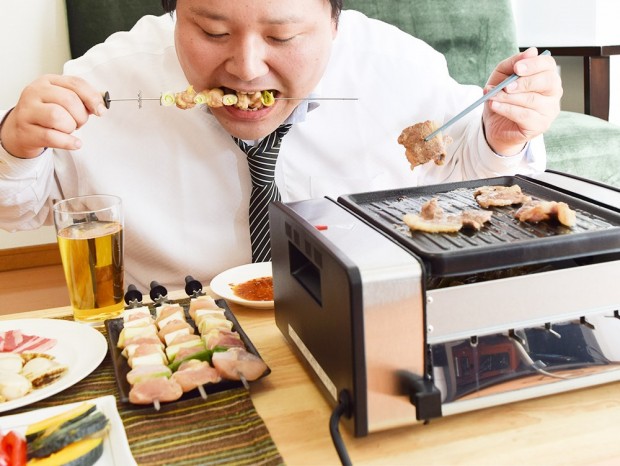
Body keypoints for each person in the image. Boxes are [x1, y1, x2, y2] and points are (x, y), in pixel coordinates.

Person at [0, 0, 562, 291]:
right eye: (213, 32)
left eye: (282, 37)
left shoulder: (396, 67)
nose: (245, 68)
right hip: (175, 325)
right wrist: (16, 147)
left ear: (335, 23)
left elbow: (470, 167)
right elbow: (17, 208)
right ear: (175, 14)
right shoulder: (107, 78)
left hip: (360, 311)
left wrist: (503, 134)